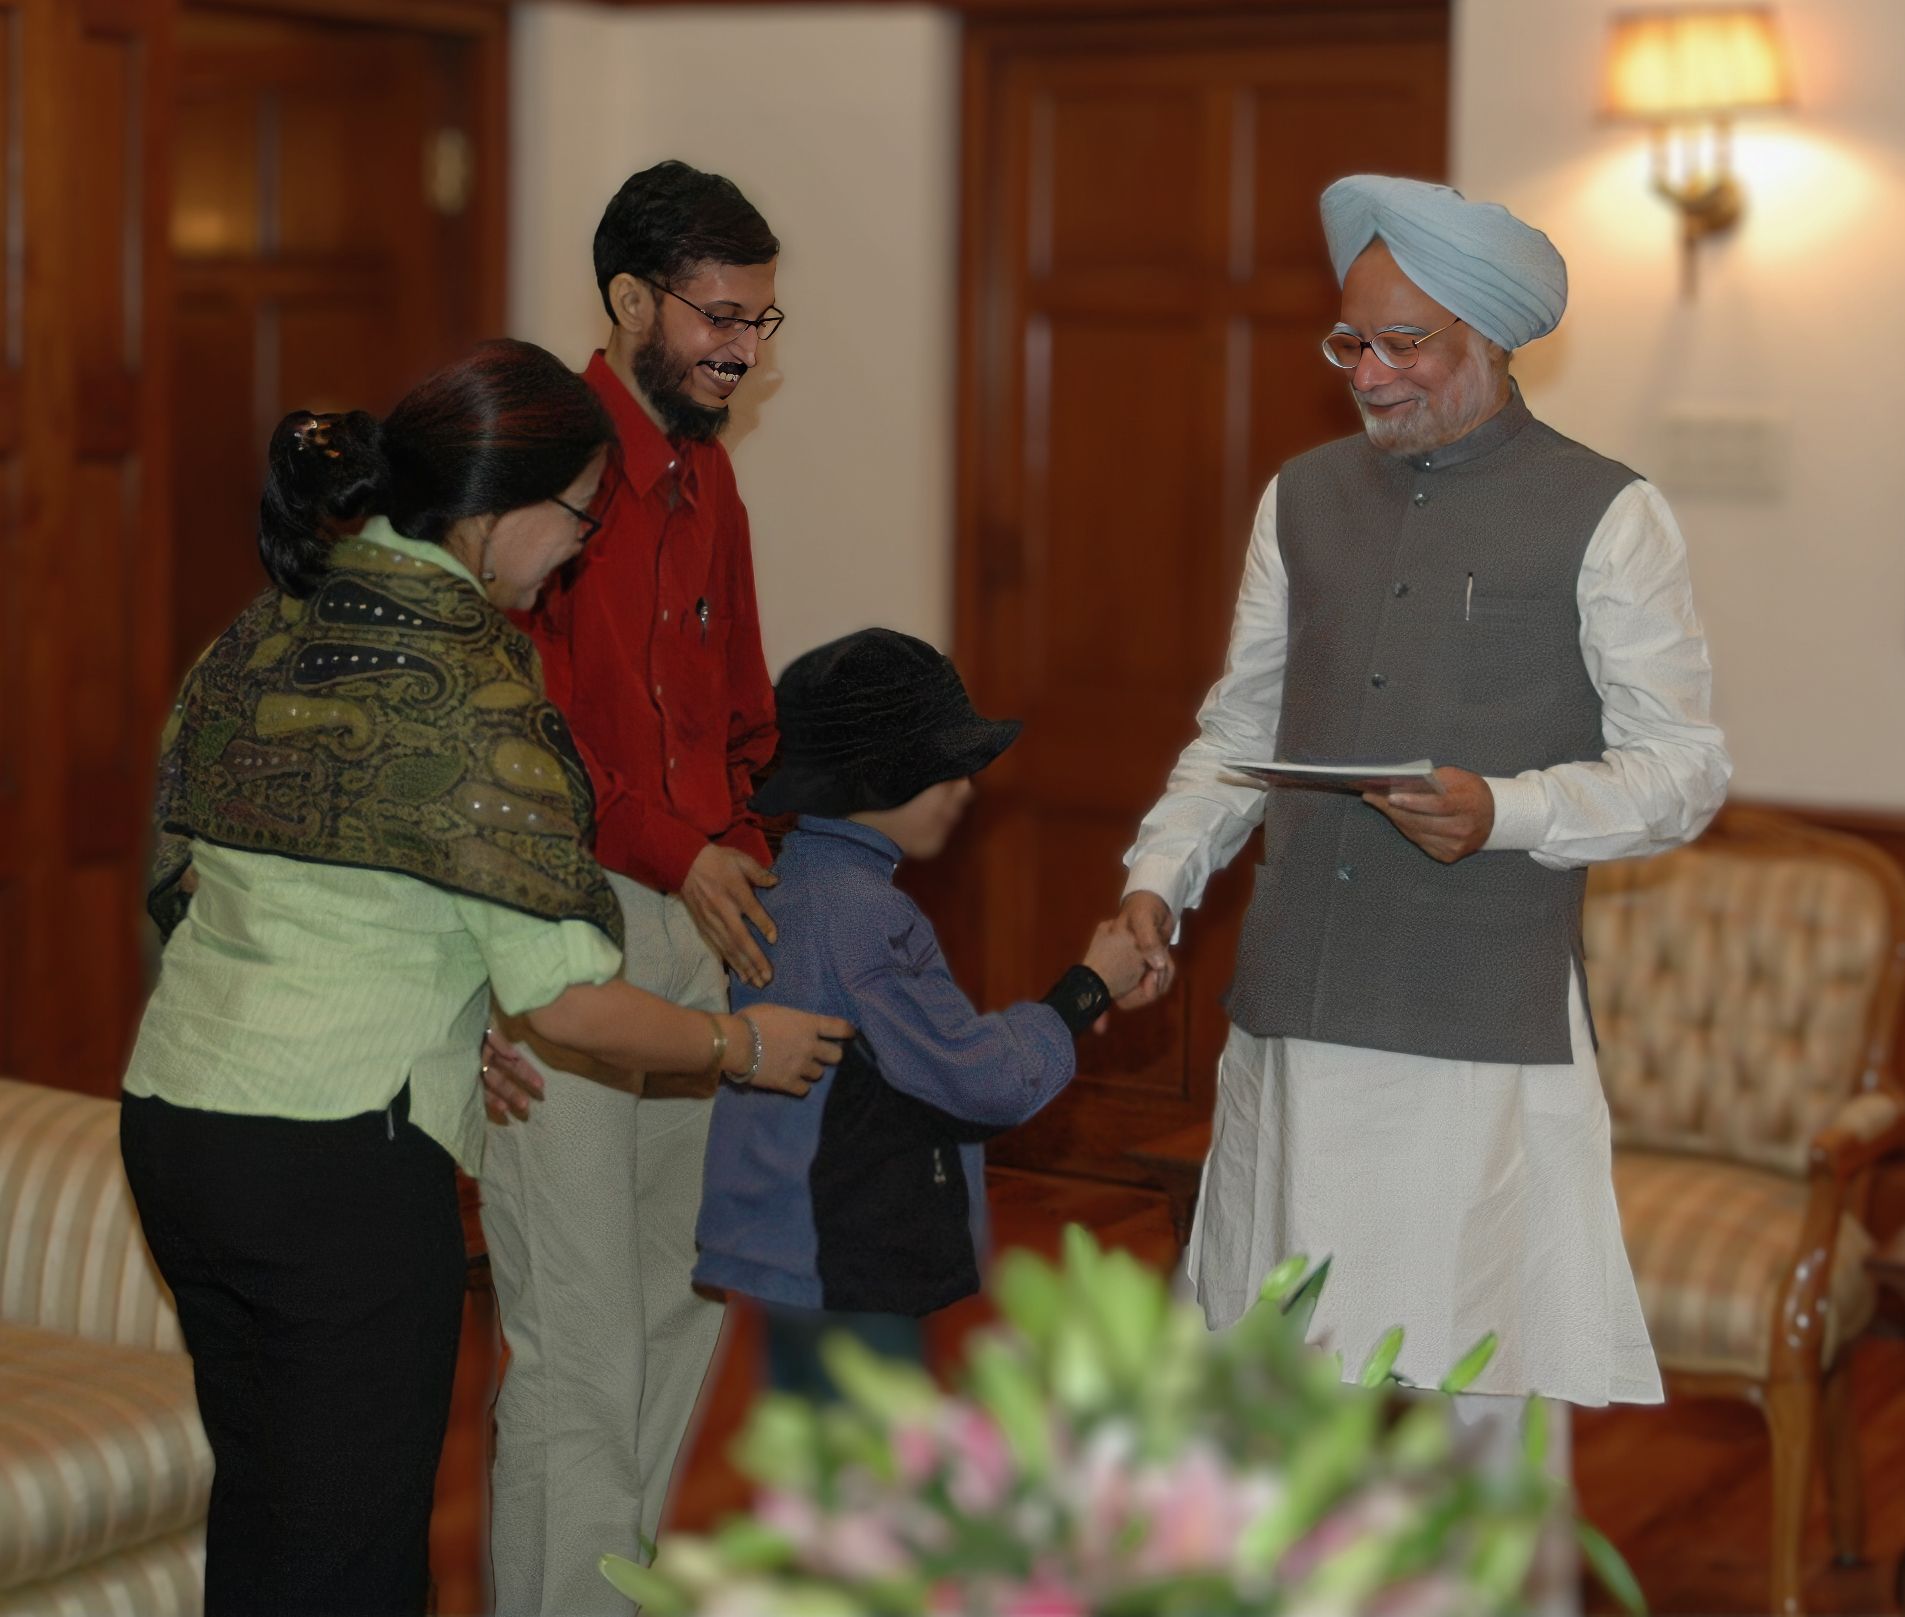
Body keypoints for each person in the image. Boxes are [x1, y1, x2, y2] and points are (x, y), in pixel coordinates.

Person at [118, 338, 850, 1617]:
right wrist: (742, 1050)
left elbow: (183, 881)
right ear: (501, 510)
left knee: (272, 1520)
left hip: (178, 1126)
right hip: (333, 1168)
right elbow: (570, 1001)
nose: (574, 551)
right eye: (575, 519)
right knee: (350, 1559)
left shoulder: (268, 619)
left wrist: (451, 1020)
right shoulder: (476, 677)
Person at [1111, 176, 1731, 1416]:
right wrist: (1153, 887)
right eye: (1353, 340)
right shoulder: (1301, 495)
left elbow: (1685, 773)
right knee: (1273, 1398)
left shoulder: (1611, 512)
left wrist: (1510, 812)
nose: (1372, 372)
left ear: (1491, 342)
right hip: (1298, 1013)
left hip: (1478, 1032)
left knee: (1476, 1410)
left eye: (1408, 342)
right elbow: (1239, 729)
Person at [476, 160, 790, 1614]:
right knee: (578, 1335)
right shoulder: (536, 459)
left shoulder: (709, 475)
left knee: (681, 1306)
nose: (742, 347)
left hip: (702, 935)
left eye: (763, 321)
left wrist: (750, 862)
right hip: (563, 930)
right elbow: (525, 738)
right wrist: (683, 850)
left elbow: (741, 713)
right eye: (719, 316)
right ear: (627, 302)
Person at [692, 629, 1148, 1393]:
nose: (965, 791)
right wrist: (1086, 988)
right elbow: (975, 1077)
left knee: (814, 1472)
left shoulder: (782, 883)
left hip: (778, 1250)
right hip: (851, 1255)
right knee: (880, 1481)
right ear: (881, 779)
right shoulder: (869, 917)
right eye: (944, 772)